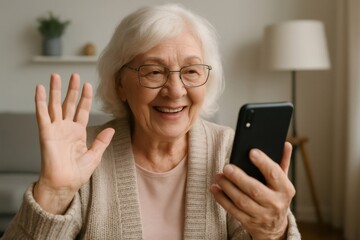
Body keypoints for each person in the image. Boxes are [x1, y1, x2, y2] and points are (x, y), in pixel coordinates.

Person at [2, 4, 300, 239]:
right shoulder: (85, 154)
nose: (175, 90)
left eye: (192, 71)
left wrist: (273, 233)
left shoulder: (228, 150)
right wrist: (53, 195)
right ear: (120, 83)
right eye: (154, 72)